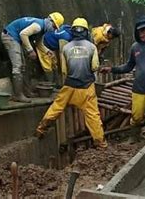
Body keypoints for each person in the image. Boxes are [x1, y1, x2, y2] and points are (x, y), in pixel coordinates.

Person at [35, 18, 107, 148]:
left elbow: (64, 70)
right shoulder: (91, 47)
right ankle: (100, 144)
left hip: (69, 87)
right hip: (87, 88)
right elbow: (95, 67)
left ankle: (41, 129)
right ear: (86, 31)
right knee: (93, 117)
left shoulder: (66, 48)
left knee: (55, 108)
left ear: (72, 31)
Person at [101, 16, 145, 143]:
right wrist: (111, 69)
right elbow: (128, 66)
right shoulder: (135, 47)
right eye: (141, 31)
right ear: (137, 32)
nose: (144, 33)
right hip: (139, 89)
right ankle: (134, 136)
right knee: (136, 116)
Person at [2, 13, 64, 102]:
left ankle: (26, 92)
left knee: (23, 66)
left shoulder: (42, 29)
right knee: (18, 66)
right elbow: (23, 34)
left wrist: (48, 51)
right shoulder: (38, 26)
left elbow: (39, 44)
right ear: (50, 21)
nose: (53, 29)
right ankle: (18, 95)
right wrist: (30, 50)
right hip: (10, 36)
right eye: (54, 27)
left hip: (16, 38)